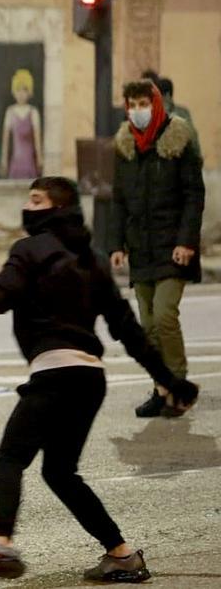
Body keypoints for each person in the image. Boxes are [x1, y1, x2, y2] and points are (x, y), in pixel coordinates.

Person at [0, 176, 199, 582]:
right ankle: (121, 555)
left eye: (36, 199)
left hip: (54, 374)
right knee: (60, 473)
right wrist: (170, 380)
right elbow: (128, 330)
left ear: (55, 208)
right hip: (89, 380)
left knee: (11, 458)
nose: (28, 206)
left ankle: (0, 544)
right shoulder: (94, 259)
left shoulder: (30, 249)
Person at [108, 80, 205, 418]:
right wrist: (115, 245)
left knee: (164, 315)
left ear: (156, 103)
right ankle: (160, 388)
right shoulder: (125, 146)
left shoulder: (179, 139)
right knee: (147, 324)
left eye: (142, 103)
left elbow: (194, 195)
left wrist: (186, 241)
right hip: (141, 248)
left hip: (173, 248)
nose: (137, 111)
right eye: (131, 104)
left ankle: (178, 386)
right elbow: (118, 200)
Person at [0, 68, 42, 180]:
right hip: (16, 161)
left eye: (25, 90)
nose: (21, 94)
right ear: (14, 92)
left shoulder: (33, 112)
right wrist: (4, 160)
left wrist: (39, 159)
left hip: (29, 163)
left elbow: (37, 138)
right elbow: (6, 139)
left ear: (29, 92)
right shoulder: (10, 112)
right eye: (18, 90)